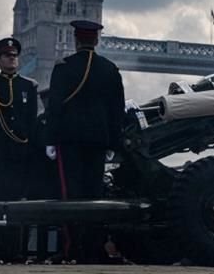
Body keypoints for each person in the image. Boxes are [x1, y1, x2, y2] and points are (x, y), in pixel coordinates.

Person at [46, 20, 125, 263]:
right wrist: (114, 143)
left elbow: (54, 107)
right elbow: (117, 111)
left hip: (69, 141)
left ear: (76, 40)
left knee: (71, 195)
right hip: (98, 142)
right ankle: (93, 249)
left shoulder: (63, 67)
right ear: (96, 40)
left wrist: (50, 139)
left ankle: (72, 249)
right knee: (94, 194)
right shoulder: (110, 69)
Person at [0, 37, 38, 202]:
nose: (12, 58)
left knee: (20, 198)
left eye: (14, 55)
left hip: (21, 151)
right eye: (7, 55)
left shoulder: (29, 86)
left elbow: (32, 121)